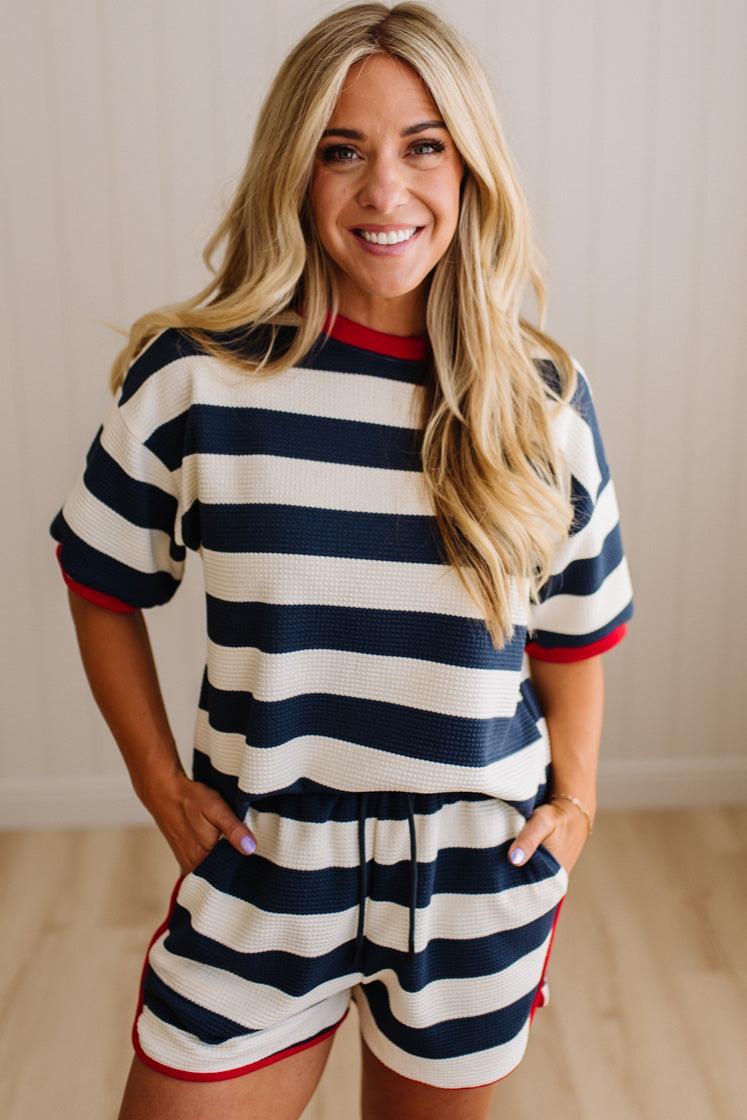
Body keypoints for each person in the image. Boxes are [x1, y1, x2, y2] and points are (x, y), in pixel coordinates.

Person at [48, 3, 634, 1118]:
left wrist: (583, 799)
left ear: (470, 167)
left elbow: (576, 632)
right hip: (265, 864)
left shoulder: (542, 398)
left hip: (476, 879)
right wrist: (159, 784)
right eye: (342, 150)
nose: (385, 192)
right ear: (294, 169)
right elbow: (98, 581)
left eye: (424, 146)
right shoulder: (197, 379)